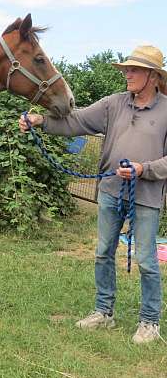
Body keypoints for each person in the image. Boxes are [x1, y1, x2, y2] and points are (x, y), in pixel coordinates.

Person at [19, 45, 167, 344]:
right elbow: (77, 122)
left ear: (152, 76)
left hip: (146, 196)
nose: (127, 73)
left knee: (148, 260)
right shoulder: (113, 104)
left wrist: (143, 169)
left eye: (134, 69)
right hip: (111, 191)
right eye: (126, 69)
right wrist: (41, 122)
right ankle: (104, 312)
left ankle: (150, 322)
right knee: (102, 253)